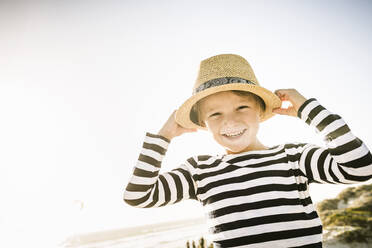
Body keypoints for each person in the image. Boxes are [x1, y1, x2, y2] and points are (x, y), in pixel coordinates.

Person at [123, 54, 372, 247]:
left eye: (241, 107)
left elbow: (361, 168)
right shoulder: (199, 171)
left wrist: (308, 110)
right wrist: (163, 137)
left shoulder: (294, 157)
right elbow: (139, 195)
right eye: (215, 114)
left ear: (260, 111)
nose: (229, 121)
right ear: (202, 124)